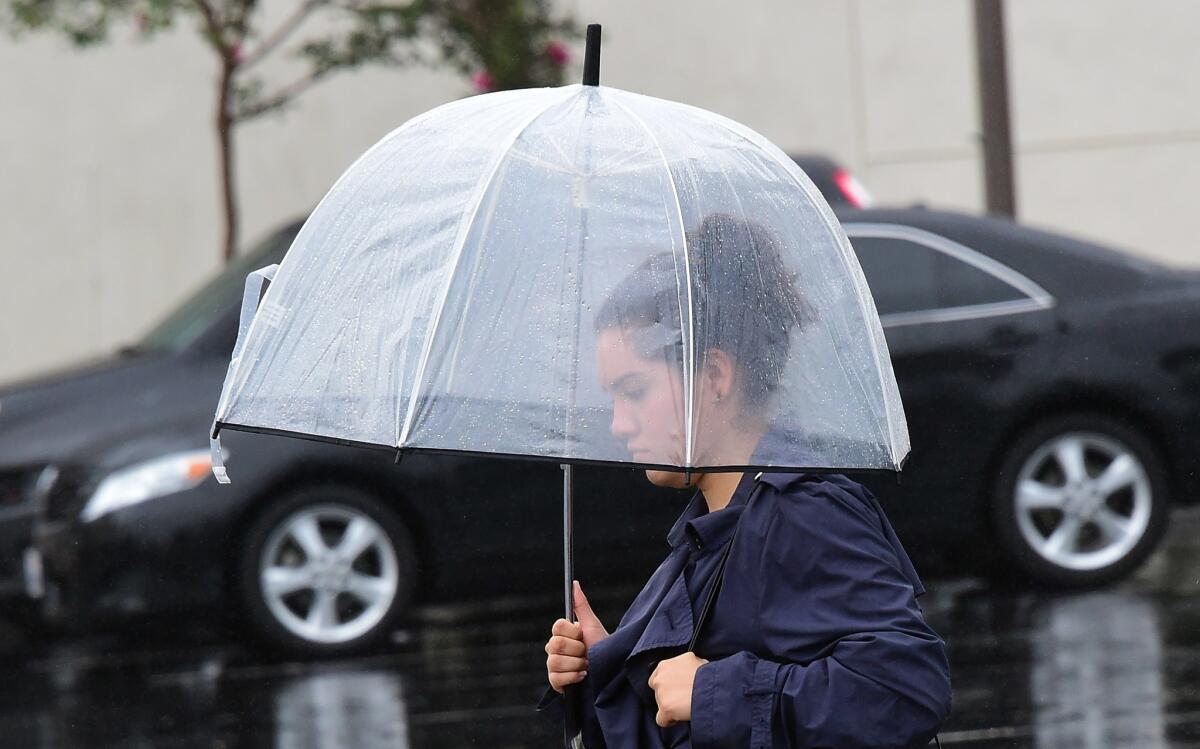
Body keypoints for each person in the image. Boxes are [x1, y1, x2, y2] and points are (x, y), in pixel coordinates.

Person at [539, 214, 952, 748]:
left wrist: (713, 689)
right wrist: (606, 671)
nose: (618, 422)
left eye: (634, 390)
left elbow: (905, 692)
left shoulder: (803, 512)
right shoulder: (714, 529)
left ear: (714, 375)